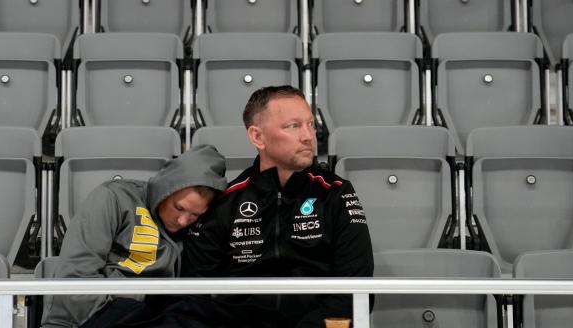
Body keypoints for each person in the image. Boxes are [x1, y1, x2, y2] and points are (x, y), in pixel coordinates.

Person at [156, 85, 374, 328]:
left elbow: (355, 290)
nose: (308, 136)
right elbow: (194, 292)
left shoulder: (336, 193)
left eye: (310, 124)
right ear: (257, 137)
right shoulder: (225, 202)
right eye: (293, 126)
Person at [40, 144, 227, 328]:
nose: (183, 221)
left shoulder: (195, 230)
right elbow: (76, 278)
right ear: (165, 189)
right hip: (84, 318)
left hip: (152, 316)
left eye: (195, 215)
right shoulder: (113, 198)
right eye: (179, 208)